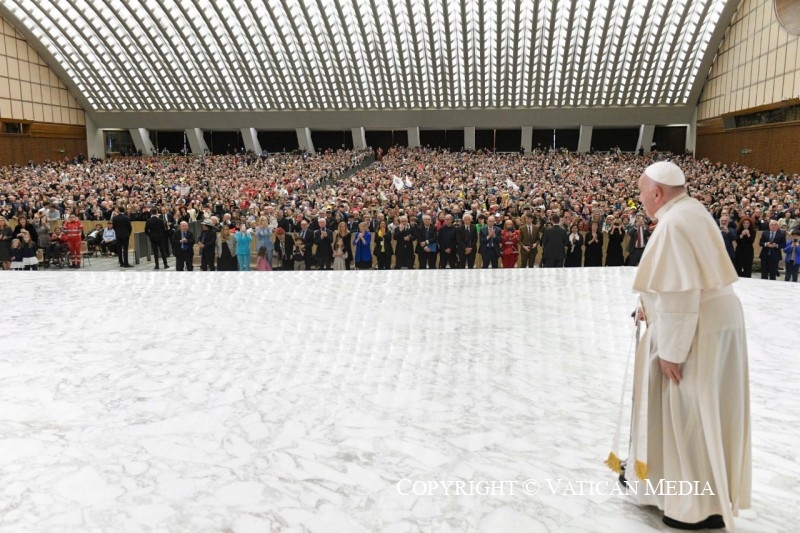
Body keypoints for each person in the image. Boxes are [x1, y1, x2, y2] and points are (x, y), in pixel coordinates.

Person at [621, 161, 750, 530]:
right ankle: (704, 501)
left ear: (657, 193)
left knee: (687, 415)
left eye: (643, 194)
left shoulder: (673, 224)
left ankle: (688, 507)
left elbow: (681, 293)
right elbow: (680, 282)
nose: (641, 200)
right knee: (708, 413)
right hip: (714, 322)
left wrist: (671, 353)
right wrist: (647, 307)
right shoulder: (693, 211)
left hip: (695, 332)